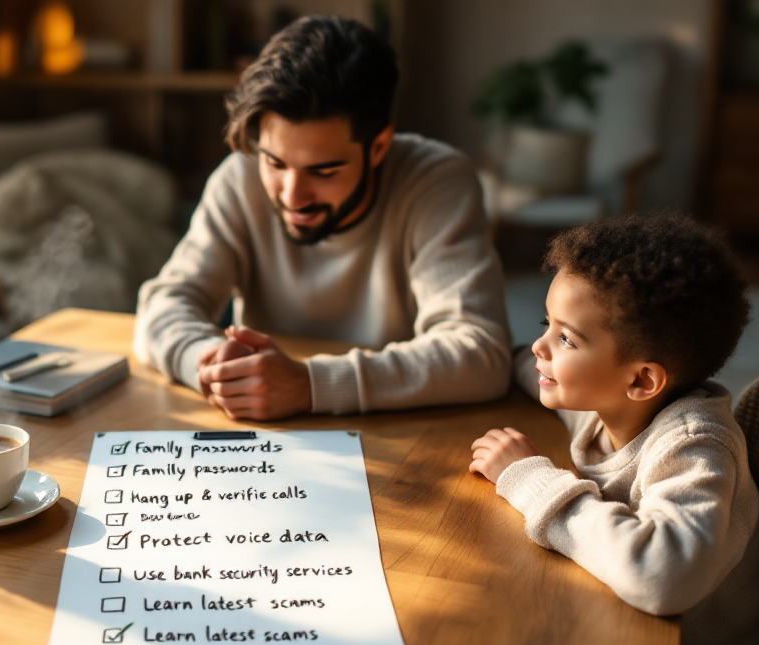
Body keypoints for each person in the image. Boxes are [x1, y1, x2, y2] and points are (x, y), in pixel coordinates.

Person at [468, 214, 759, 645]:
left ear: (641, 379)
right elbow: (518, 363)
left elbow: (663, 573)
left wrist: (529, 478)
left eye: (564, 338)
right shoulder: (610, 403)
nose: (539, 347)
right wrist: (481, 357)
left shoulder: (693, 446)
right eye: (546, 322)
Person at [134, 15, 511, 421]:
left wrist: (310, 385)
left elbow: (481, 351)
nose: (292, 195)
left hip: (398, 432)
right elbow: (163, 306)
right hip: (265, 440)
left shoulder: (436, 182)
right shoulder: (239, 178)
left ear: (379, 147)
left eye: (323, 171)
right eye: (274, 162)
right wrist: (210, 365)